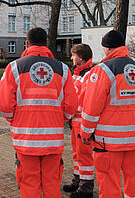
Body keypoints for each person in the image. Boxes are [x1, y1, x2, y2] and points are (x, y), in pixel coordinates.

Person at [0, 27, 77, 197]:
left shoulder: (13, 68)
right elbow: (71, 106)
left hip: (25, 139)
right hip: (53, 140)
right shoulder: (63, 69)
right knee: (52, 185)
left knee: (29, 185)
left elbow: (5, 104)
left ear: (27, 44)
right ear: (47, 44)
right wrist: (57, 119)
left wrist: (14, 119)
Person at [80, 30, 135, 198]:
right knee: (132, 181)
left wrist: (85, 133)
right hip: (133, 138)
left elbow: (91, 108)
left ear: (107, 48)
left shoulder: (102, 70)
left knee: (109, 181)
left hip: (108, 142)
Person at [62, 44, 94, 198]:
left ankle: (86, 188)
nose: (71, 58)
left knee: (85, 156)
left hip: (82, 123)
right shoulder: (78, 73)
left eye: (73, 55)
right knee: (77, 155)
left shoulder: (88, 75)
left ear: (80, 57)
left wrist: (68, 112)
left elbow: (82, 100)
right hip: (75, 122)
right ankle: (78, 181)